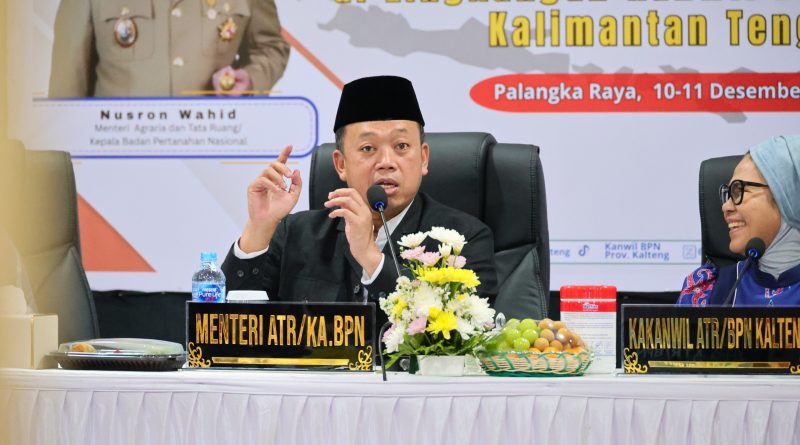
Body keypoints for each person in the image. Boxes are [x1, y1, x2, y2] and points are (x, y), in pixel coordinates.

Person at [222, 75, 498, 328]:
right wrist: (259, 229)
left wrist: (371, 257)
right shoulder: (296, 233)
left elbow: (469, 331)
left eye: (401, 146)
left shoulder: (462, 241)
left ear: (423, 158)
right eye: (368, 148)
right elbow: (227, 325)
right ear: (341, 164)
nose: (387, 162)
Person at [48, 0, 290, 97]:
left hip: (214, 152)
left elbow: (270, 46)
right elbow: (69, 80)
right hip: (117, 152)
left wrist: (250, 79)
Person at [677, 135, 800, 306]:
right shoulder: (707, 294)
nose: (725, 207)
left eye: (738, 191)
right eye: (727, 194)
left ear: (787, 195)